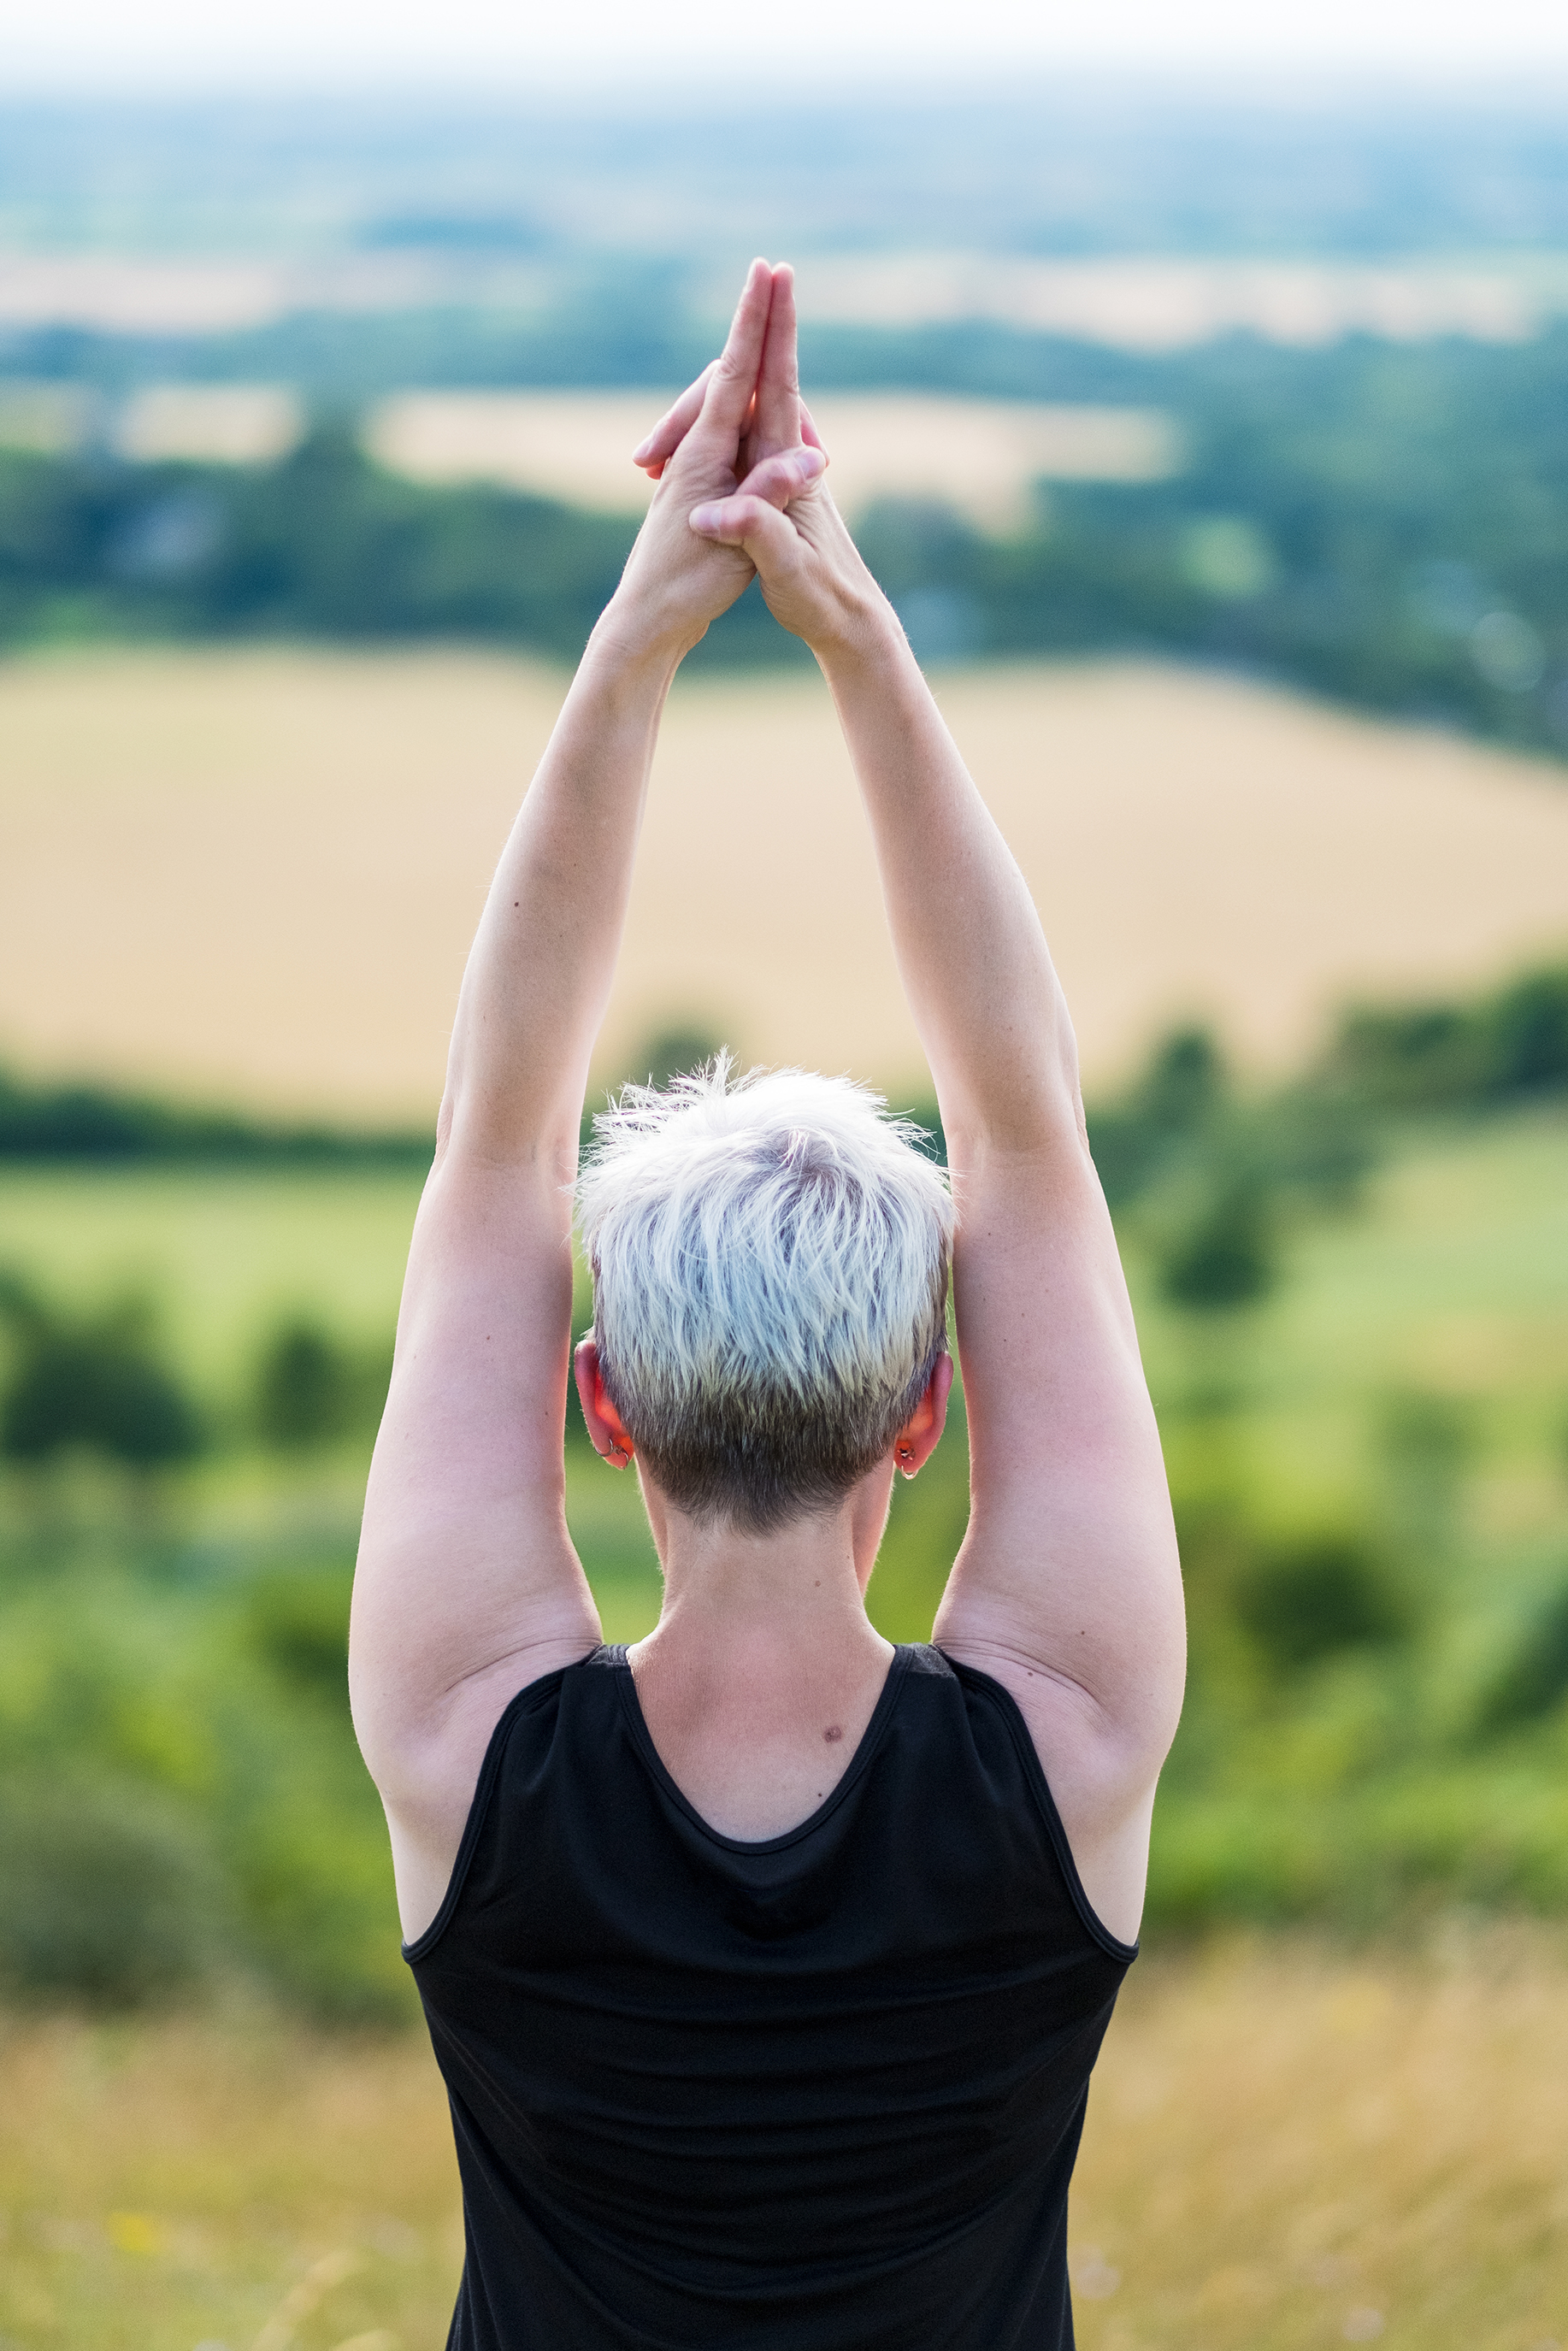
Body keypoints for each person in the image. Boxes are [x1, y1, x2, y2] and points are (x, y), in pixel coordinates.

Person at [349, 257, 1186, 2351]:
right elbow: (1027, 1141)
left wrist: (641, 635)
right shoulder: (1061, 1754)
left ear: (597, 1403)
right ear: (927, 1411)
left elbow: (491, 1142)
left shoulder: (470, 1757)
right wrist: (861, 641)